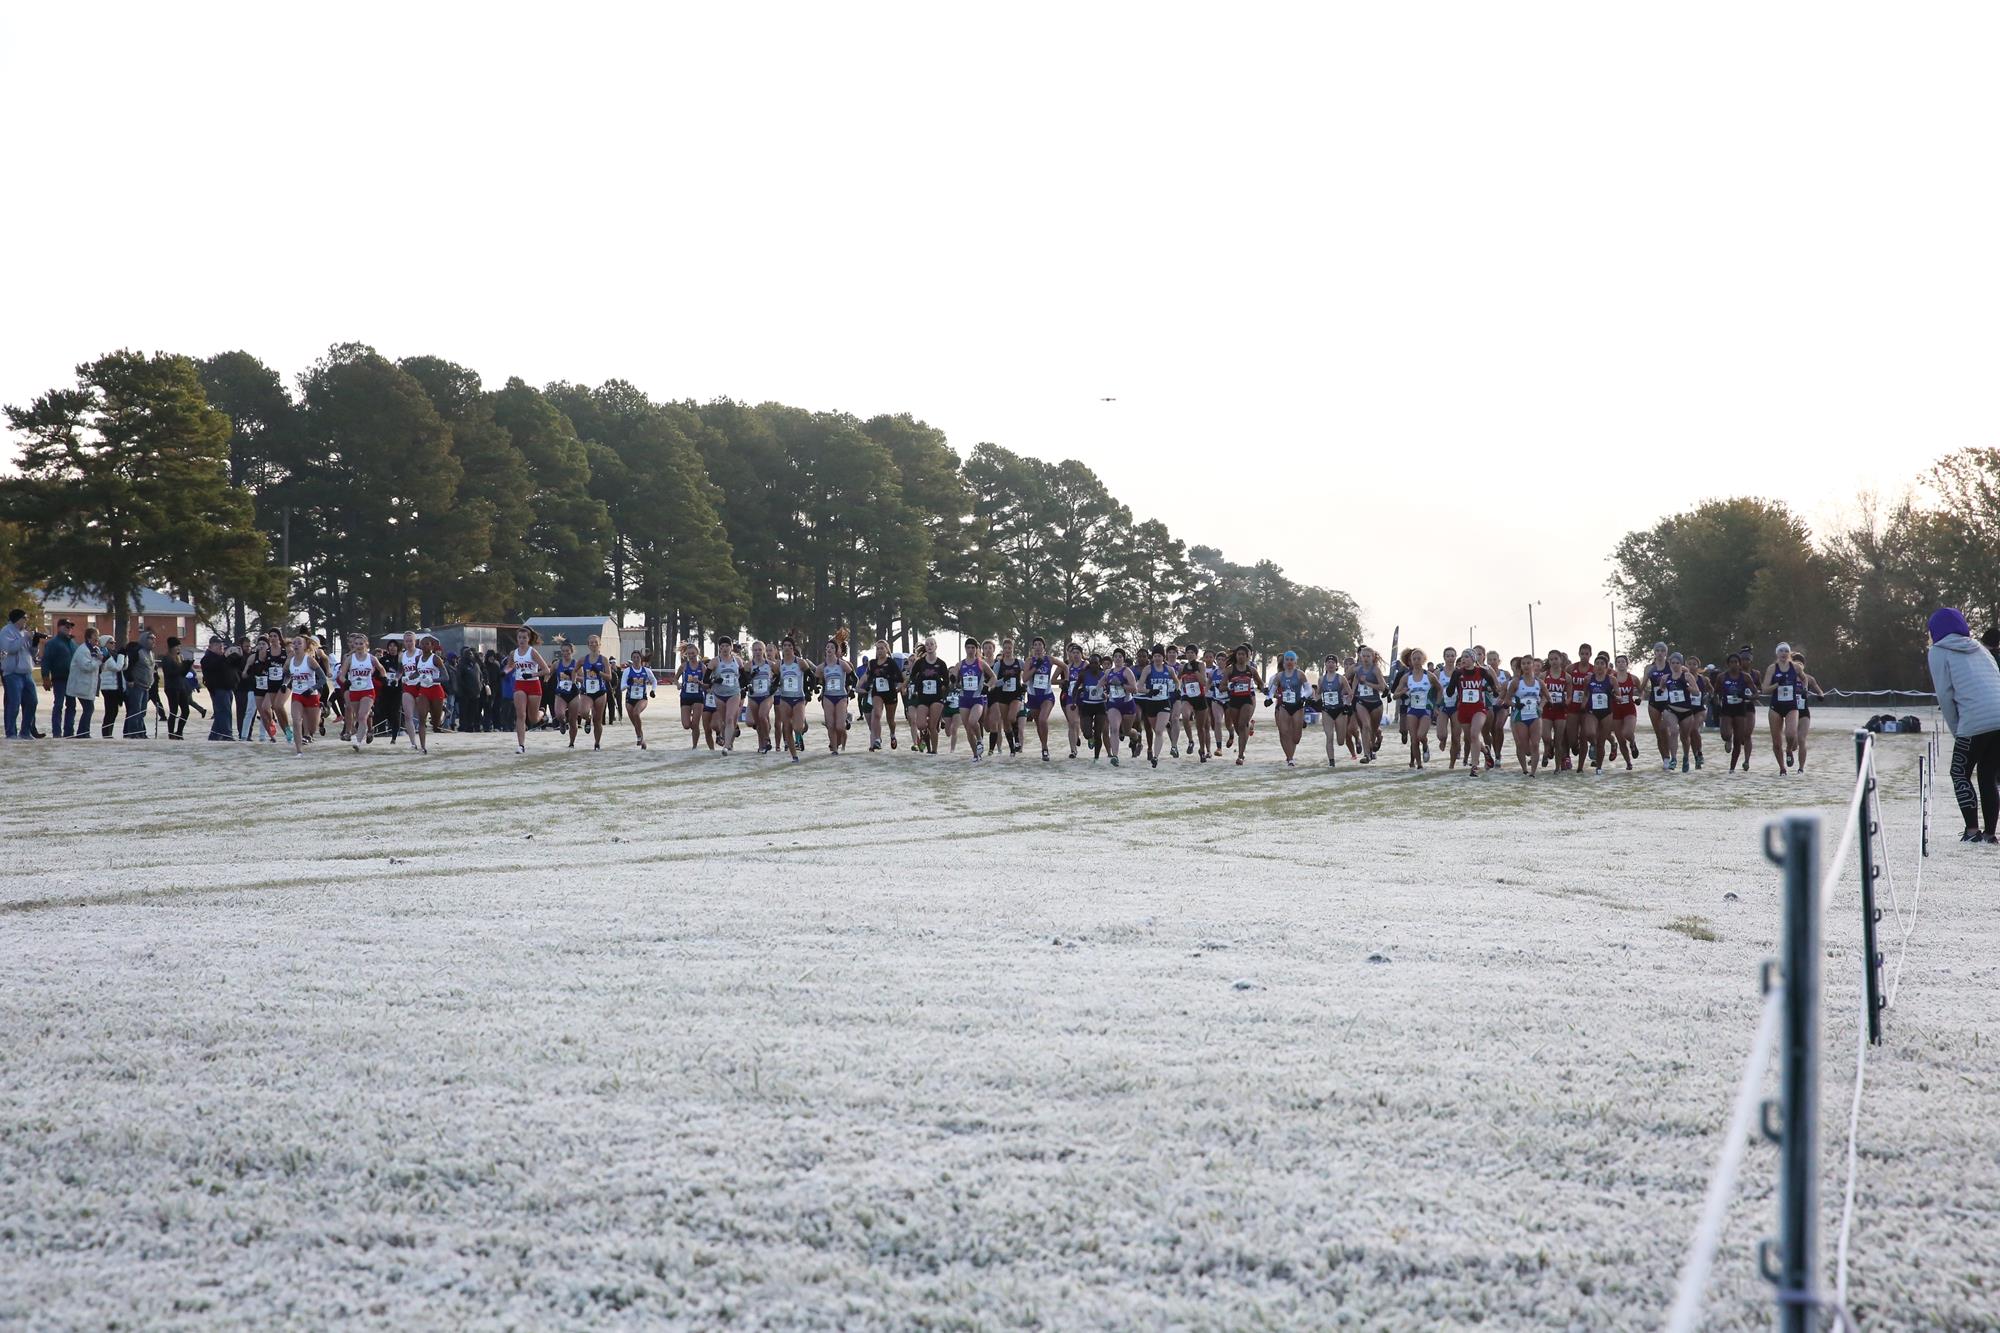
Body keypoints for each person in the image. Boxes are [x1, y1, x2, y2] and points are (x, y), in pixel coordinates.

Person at [1926, 607, 2000, 844]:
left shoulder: (1938, 652)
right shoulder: (1980, 648)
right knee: (1988, 775)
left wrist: (1957, 729)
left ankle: (1971, 831)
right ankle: (1990, 834)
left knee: (1959, 772)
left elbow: (1945, 696)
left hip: (1974, 721)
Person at [1, 608, 35, 739]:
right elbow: (9, 649)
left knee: (33, 701)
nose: (26, 621)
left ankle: (25, 731)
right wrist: (24, 638)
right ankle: (11, 733)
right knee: (14, 703)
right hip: (13, 673)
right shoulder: (6, 631)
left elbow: (31, 653)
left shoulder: (25, 633)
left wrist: (34, 643)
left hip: (27, 673)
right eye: (24, 618)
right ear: (18, 619)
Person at [63, 626, 104, 738]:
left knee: (88, 708)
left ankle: (83, 732)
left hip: (87, 685)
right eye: (95, 636)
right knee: (87, 708)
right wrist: (99, 660)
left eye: (98, 636)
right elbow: (87, 667)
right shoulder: (83, 650)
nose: (97, 638)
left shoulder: (95, 650)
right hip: (79, 685)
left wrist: (100, 659)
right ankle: (81, 732)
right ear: (89, 637)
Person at [39, 618, 75, 736]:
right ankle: (56, 732)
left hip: (72, 679)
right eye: (66, 626)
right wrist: (45, 677)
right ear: (59, 627)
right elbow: (46, 660)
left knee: (71, 705)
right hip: (59, 678)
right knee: (58, 704)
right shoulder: (53, 643)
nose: (69, 629)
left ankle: (69, 732)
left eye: (70, 627)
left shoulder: (73, 644)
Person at [623, 649, 660, 749]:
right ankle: (642, 740)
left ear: (641, 659)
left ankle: (639, 737)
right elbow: (621, 687)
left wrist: (653, 691)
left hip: (642, 698)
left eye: (637, 657)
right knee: (635, 722)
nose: (635, 659)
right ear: (631, 659)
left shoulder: (646, 671)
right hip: (629, 699)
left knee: (636, 713)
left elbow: (654, 681)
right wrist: (628, 684)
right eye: (633, 658)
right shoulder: (627, 671)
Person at [121, 629, 155, 739]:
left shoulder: (150, 653)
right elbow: (127, 667)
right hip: (136, 686)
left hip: (146, 686)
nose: (153, 641)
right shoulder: (137, 651)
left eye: (154, 639)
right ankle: (133, 732)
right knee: (135, 710)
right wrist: (129, 679)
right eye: (151, 639)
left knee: (142, 711)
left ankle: (141, 732)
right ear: (144, 639)